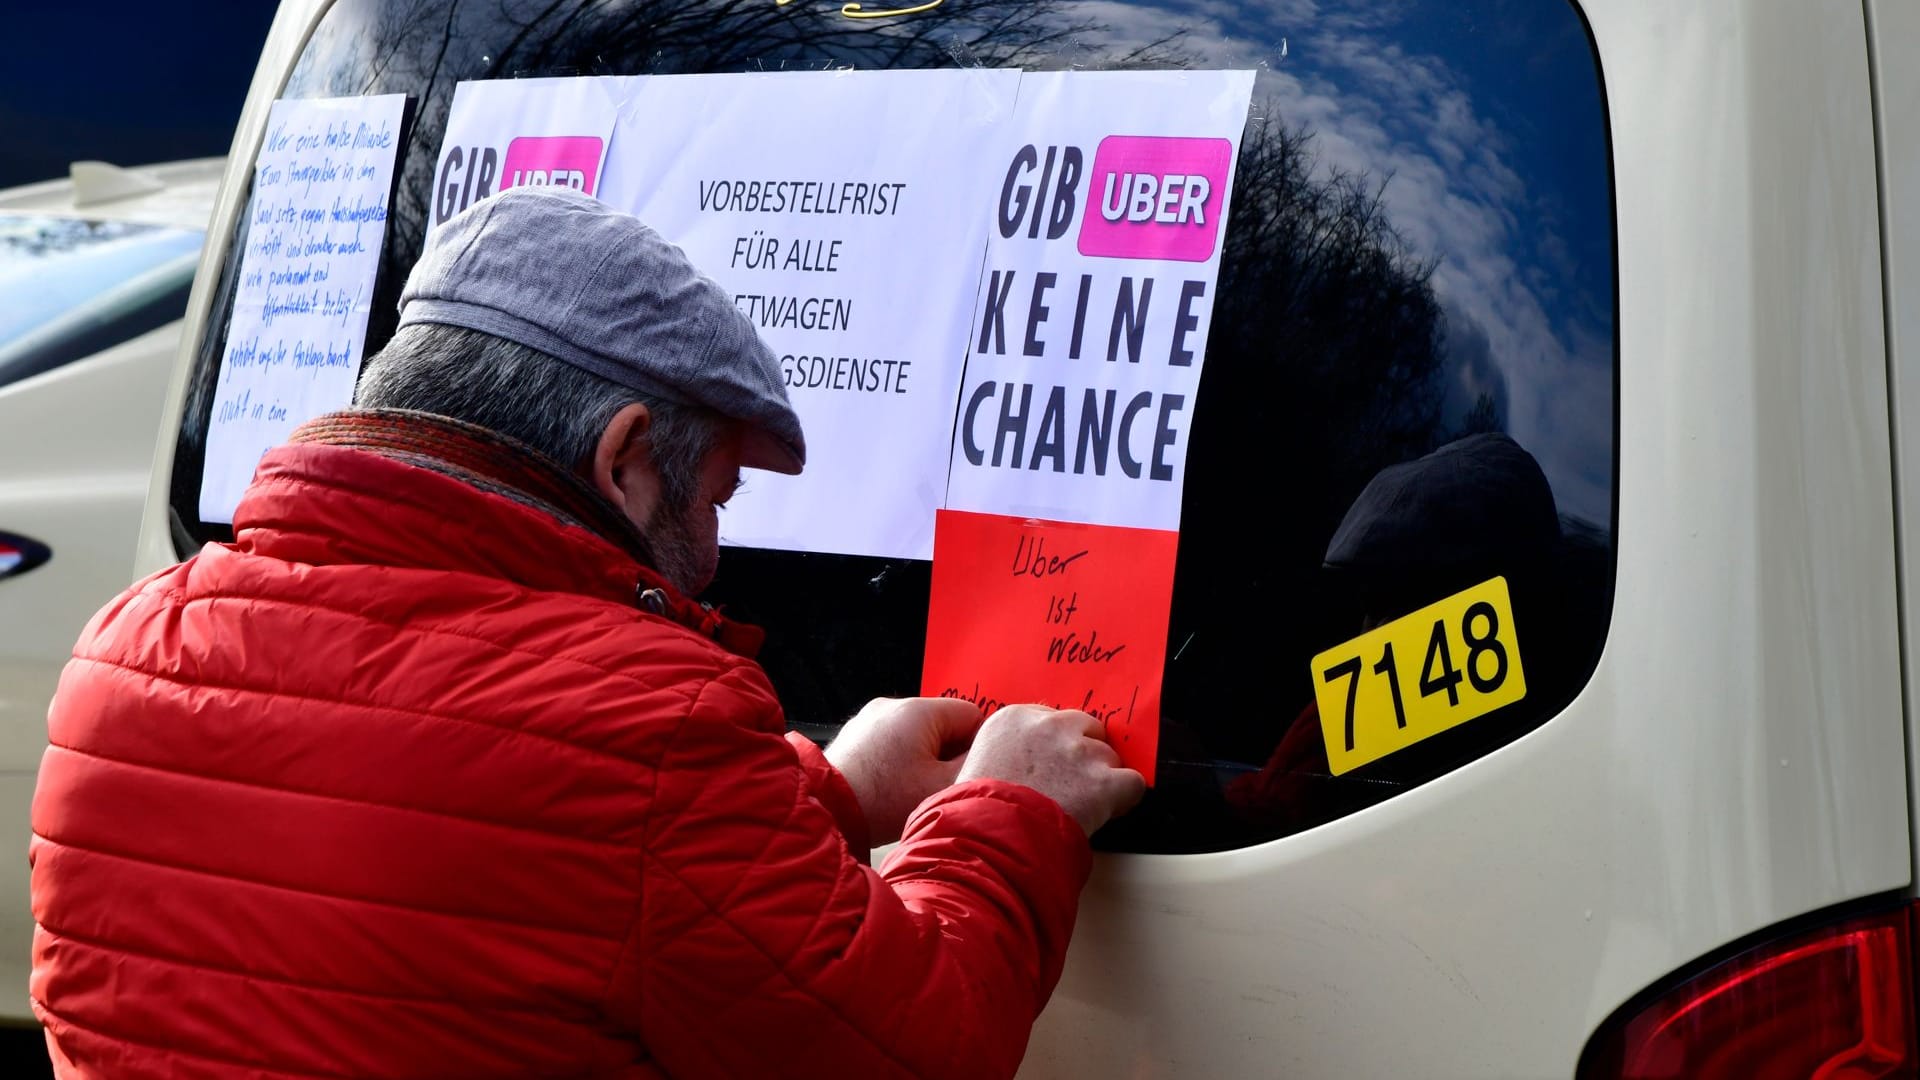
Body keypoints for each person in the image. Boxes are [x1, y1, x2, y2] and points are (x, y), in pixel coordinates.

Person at [29, 187, 1145, 1079]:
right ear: (621, 459)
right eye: (712, 498)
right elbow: (918, 1047)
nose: (710, 554)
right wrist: (1013, 815)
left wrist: (824, 796)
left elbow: (530, 873)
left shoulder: (128, 648)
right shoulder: (649, 726)